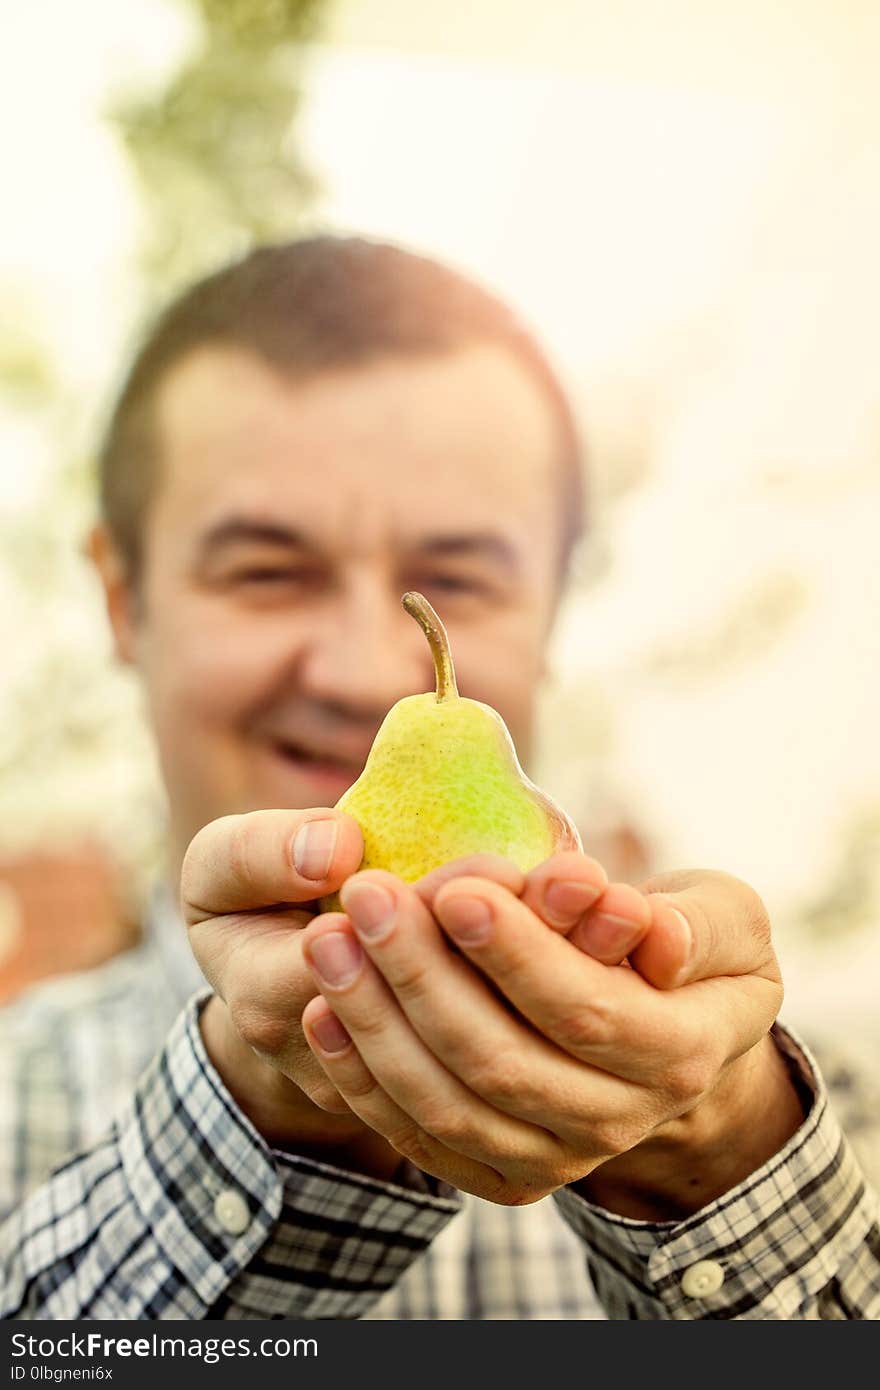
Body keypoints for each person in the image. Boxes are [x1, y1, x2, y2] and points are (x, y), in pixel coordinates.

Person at [1, 237, 877, 1321]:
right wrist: (262, 1119)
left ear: (552, 610)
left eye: (458, 575)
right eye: (267, 570)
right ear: (123, 600)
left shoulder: (819, 1121)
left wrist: (710, 1164)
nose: (371, 670)